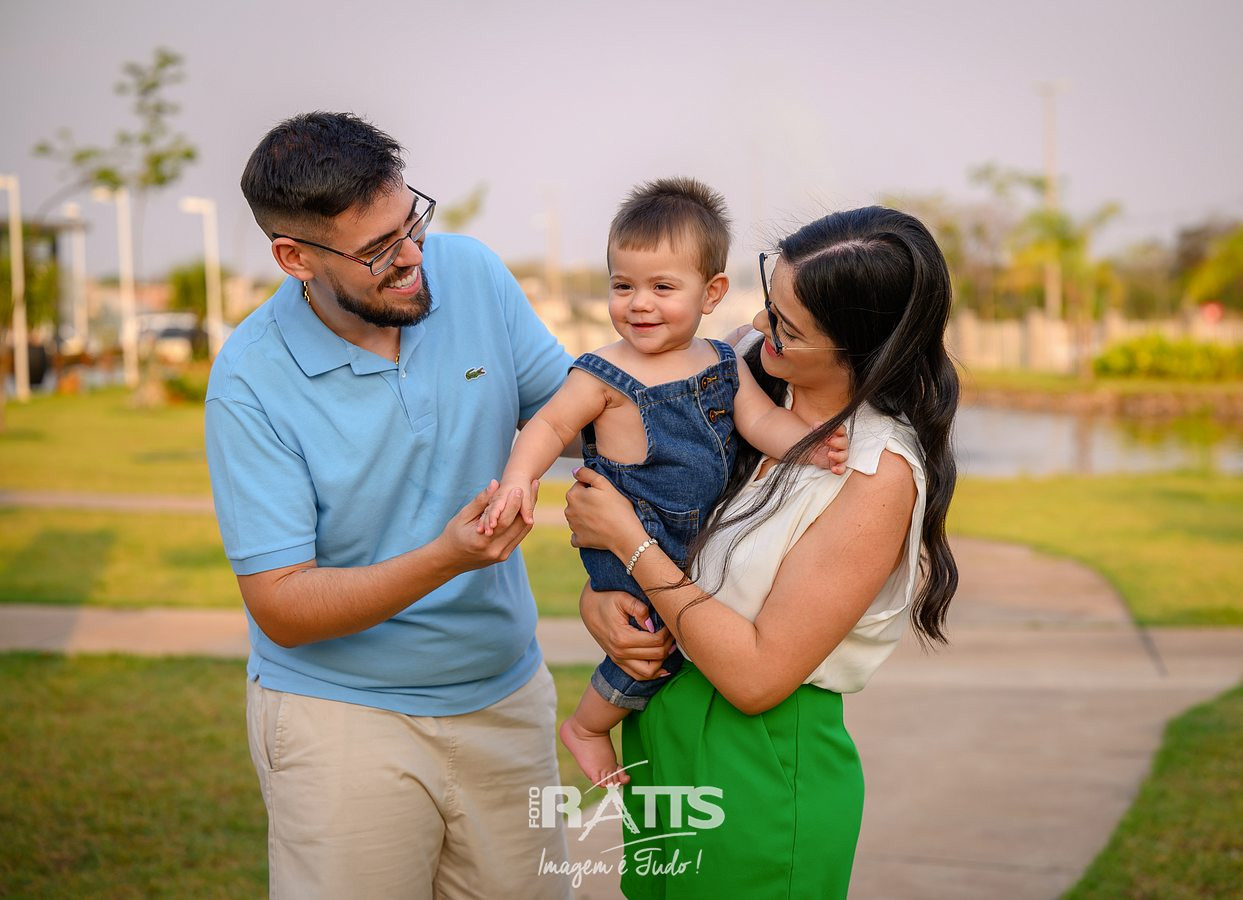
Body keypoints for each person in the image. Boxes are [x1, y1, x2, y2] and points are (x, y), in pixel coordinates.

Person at [204, 111, 572, 898]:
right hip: (340, 724)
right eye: (377, 249)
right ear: (294, 258)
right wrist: (446, 558)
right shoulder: (248, 379)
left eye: (412, 223)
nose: (411, 258)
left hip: (506, 698)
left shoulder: (470, 272)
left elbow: (572, 412)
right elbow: (283, 606)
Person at [565, 206, 960, 898]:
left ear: (861, 350)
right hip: (661, 733)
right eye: (769, 304)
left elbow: (755, 678)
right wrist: (600, 599)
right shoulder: (735, 386)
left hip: (759, 765)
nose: (756, 326)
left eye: (787, 328)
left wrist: (626, 542)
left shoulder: (876, 473)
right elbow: (676, 542)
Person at [478, 178, 848, 788]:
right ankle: (587, 727)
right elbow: (548, 425)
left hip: (699, 534)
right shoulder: (602, 373)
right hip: (634, 533)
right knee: (650, 643)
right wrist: (519, 478)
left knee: (700, 629)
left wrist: (808, 444)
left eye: (662, 288)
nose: (639, 304)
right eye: (623, 286)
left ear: (712, 293)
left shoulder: (723, 362)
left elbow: (760, 423)